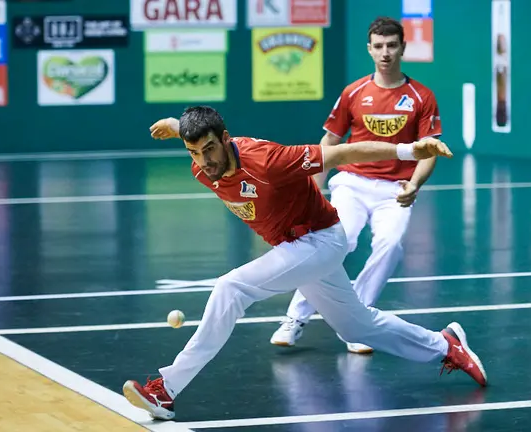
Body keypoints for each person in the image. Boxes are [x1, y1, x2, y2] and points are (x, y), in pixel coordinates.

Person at [122, 106, 487, 421]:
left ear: (226, 138)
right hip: (298, 251)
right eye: (194, 152)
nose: (204, 161)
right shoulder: (202, 167)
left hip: (321, 240)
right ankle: (445, 345)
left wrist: (408, 150)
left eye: (210, 149)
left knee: (231, 287)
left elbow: (342, 153)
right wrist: (175, 125)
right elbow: (192, 137)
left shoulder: (268, 161)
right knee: (358, 326)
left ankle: (165, 388)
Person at [270, 17, 442, 354]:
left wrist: (415, 184)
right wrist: (314, 187)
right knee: (338, 242)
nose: (386, 52)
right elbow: (329, 142)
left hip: (395, 189)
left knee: (391, 246)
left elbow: (429, 150)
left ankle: (355, 323)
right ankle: (294, 318)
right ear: (369, 49)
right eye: (379, 46)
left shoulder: (421, 96)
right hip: (351, 182)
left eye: (392, 45)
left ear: (403, 48)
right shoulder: (354, 92)